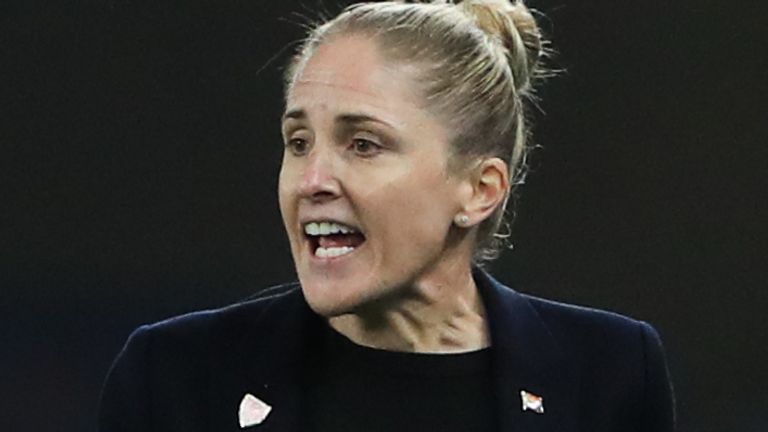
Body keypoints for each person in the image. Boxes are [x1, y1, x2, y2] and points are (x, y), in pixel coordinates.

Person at [98, 1, 675, 431]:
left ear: (479, 189)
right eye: (298, 142)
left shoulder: (611, 375)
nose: (313, 181)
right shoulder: (174, 381)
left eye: (364, 144)